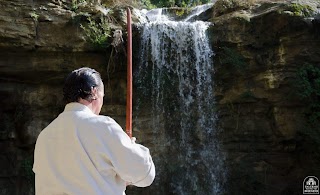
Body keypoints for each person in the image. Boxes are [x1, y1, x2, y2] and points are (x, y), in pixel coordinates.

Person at [33, 67, 155, 195]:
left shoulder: (44, 136)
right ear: (95, 92)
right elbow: (145, 174)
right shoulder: (103, 126)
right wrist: (132, 146)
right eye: (103, 95)